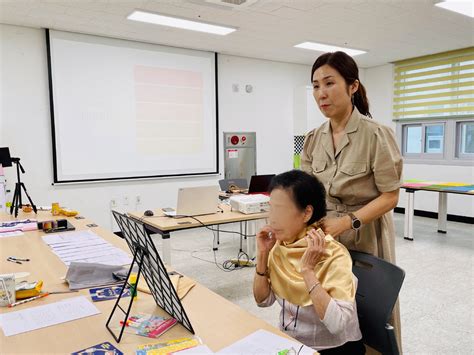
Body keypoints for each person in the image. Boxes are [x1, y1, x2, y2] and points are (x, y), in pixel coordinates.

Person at [301, 51, 403, 351]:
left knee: (369, 312)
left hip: (366, 234)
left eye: (329, 83)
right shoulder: (313, 138)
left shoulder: (377, 135)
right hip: (325, 238)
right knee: (329, 308)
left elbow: (390, 196)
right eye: (316, 86)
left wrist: (346, 222)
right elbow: (307, 191)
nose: (321, 93)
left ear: (353, 86)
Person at [253, 170, 365, 354]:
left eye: (280, 210)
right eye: (271, 208)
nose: (272, 218)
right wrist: (263, 254)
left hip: (333, 348)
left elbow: (338, 325)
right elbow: (262, 301)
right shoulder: (281, 246)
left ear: (306, 213)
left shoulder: (333, 254)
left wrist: (307, 271)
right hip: (290, 343)